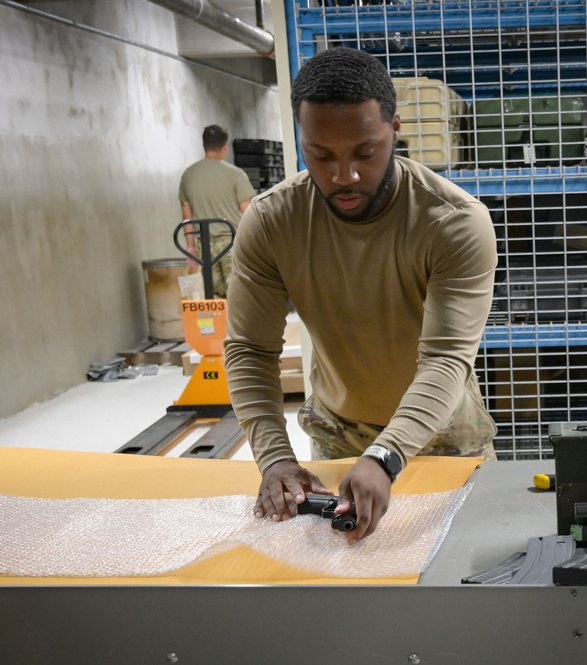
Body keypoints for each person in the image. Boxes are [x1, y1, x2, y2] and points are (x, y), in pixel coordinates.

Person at [224, 47, 499, 544]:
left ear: (395, 129)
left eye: (365, 152)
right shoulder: (271, 222)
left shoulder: (454, 222)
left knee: (464, 579)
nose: (344, 176)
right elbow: (249, 350)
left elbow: (444, 359)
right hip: (336, 430)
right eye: (321, 156)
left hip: (444, 433)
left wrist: (385, 455)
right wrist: (276, 459)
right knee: (348, 582)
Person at [178, 125, 256, 299]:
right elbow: (249, 212)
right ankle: (235, 327)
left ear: (204, 145)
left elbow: (186, 214)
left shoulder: (189, 174)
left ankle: (216, 326)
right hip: (232, 243)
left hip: (203, 244)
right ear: (225, 147)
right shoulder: (235, 174)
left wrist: (190, 247)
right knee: (238, 294)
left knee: (211, 295)